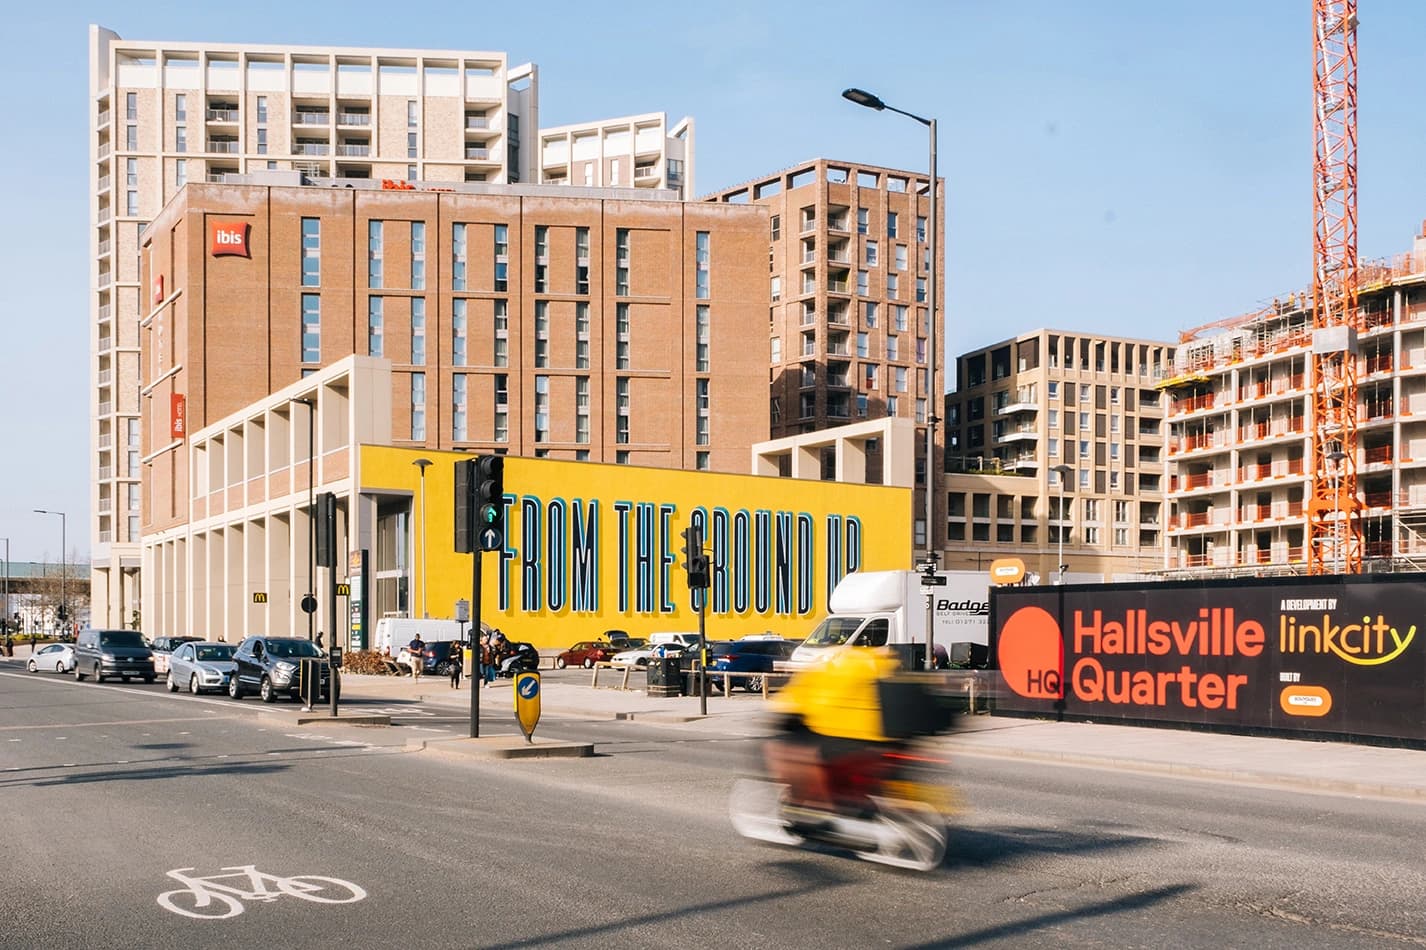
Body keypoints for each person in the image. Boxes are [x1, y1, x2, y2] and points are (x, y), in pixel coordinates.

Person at [765, 646, 904, 811]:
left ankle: (823, 804)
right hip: (891, 742)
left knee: (801, 756)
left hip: (843, 742)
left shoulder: (826, 668)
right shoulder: (882, 665)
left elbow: (791, 703)